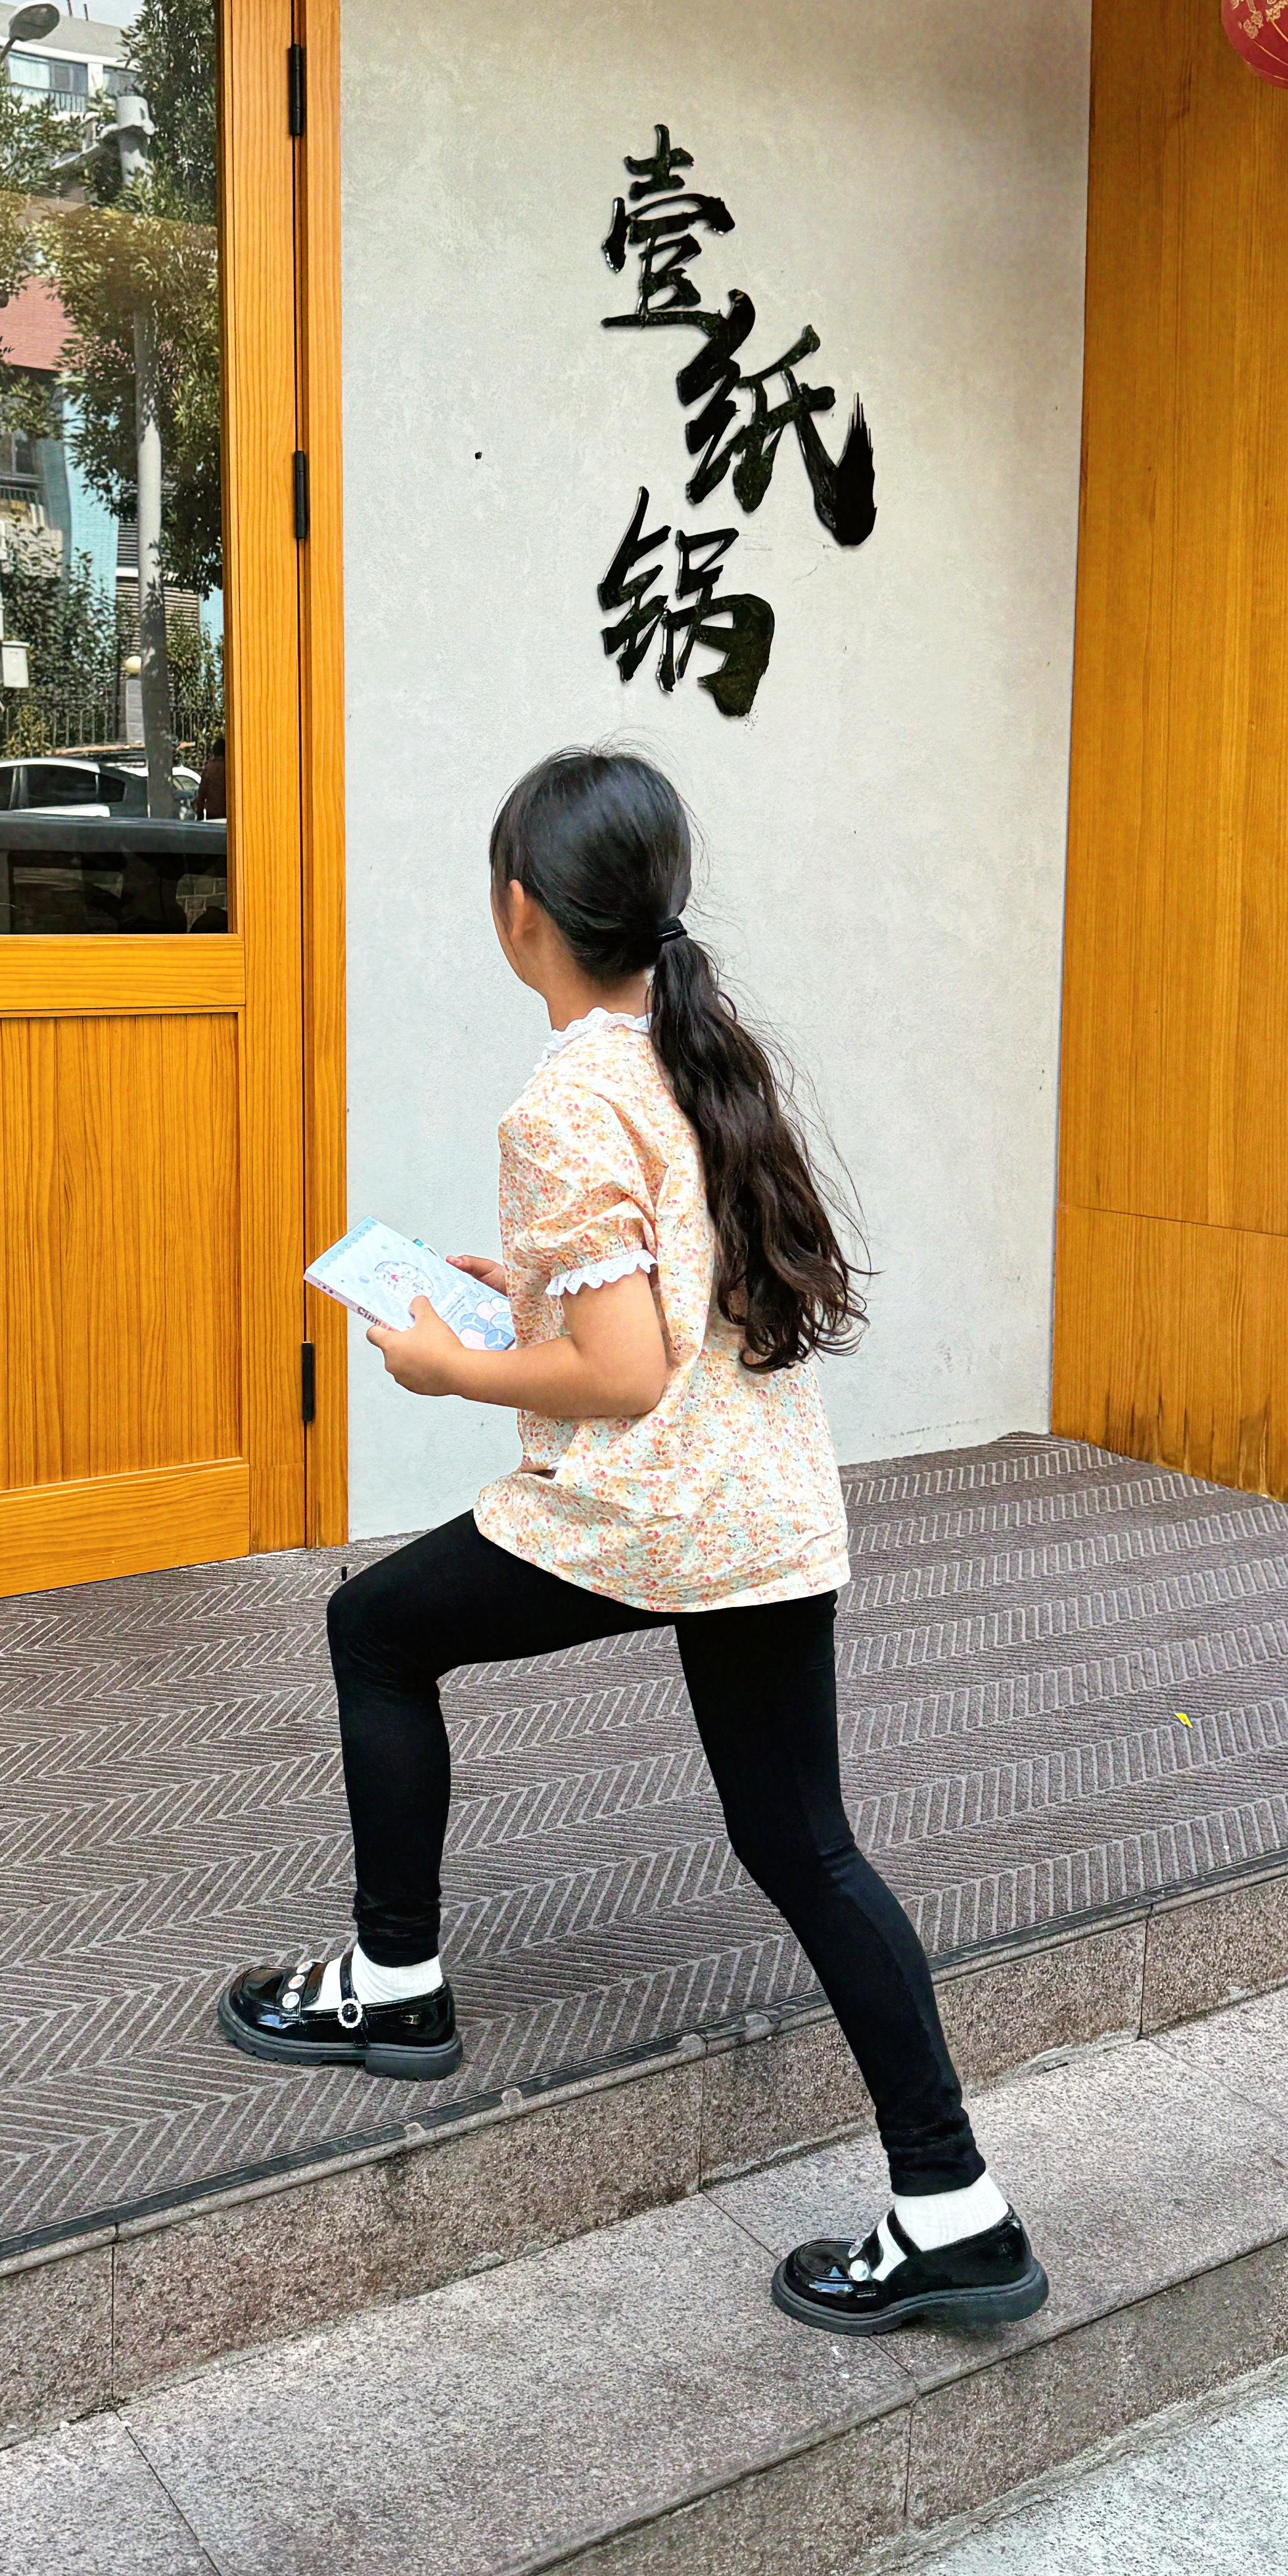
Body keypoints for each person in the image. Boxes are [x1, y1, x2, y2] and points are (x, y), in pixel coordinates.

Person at [220, 747, 1046, 2337]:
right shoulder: (692, 1046)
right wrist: (521, 1287)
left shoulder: (561, 1099)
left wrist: (452, 1359)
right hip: (763, 1509)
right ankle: (953, 2207)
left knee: (374, 1631)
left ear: (516, 911)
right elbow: (666, 1299)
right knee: (806, 1849)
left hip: (642, 1507)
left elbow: (619, 1372)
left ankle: (393, 1987)